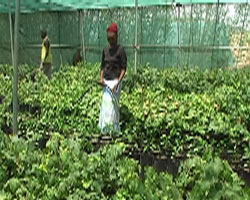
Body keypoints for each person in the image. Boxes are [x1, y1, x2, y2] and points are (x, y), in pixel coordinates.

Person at [98, 22, 127, 132]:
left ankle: (113, 131)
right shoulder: (105, 50)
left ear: (116, 37)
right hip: (106, 82)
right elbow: (102, 66)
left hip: (115, 82)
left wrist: (117, 83)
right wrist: (101, 78)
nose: (111, 41)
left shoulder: (121, 50)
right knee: (105, 107)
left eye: (112, 38)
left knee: (112, 108)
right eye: (109, 39)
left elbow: (123, 69)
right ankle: (104, 130)